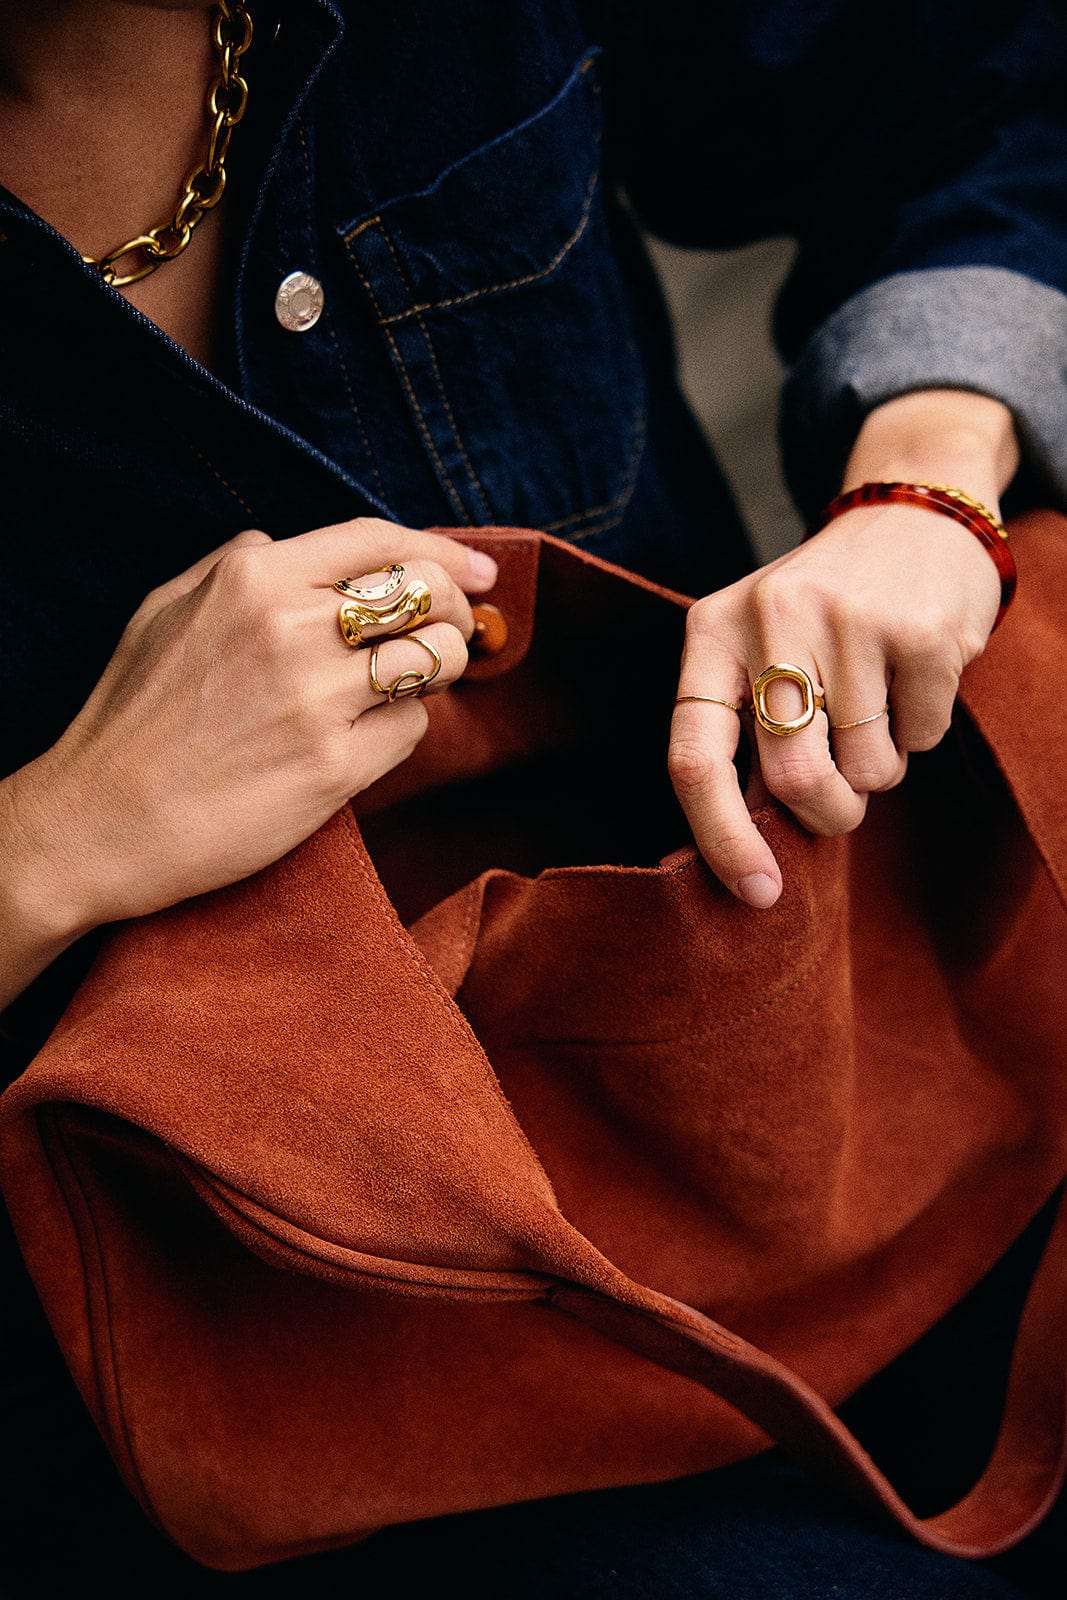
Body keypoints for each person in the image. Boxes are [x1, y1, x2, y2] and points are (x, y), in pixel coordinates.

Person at [0, 0, 1065, 1592]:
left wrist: (921, 482)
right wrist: (59, 839)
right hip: (266, 1342)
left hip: (809, 1041)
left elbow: (976, 88)